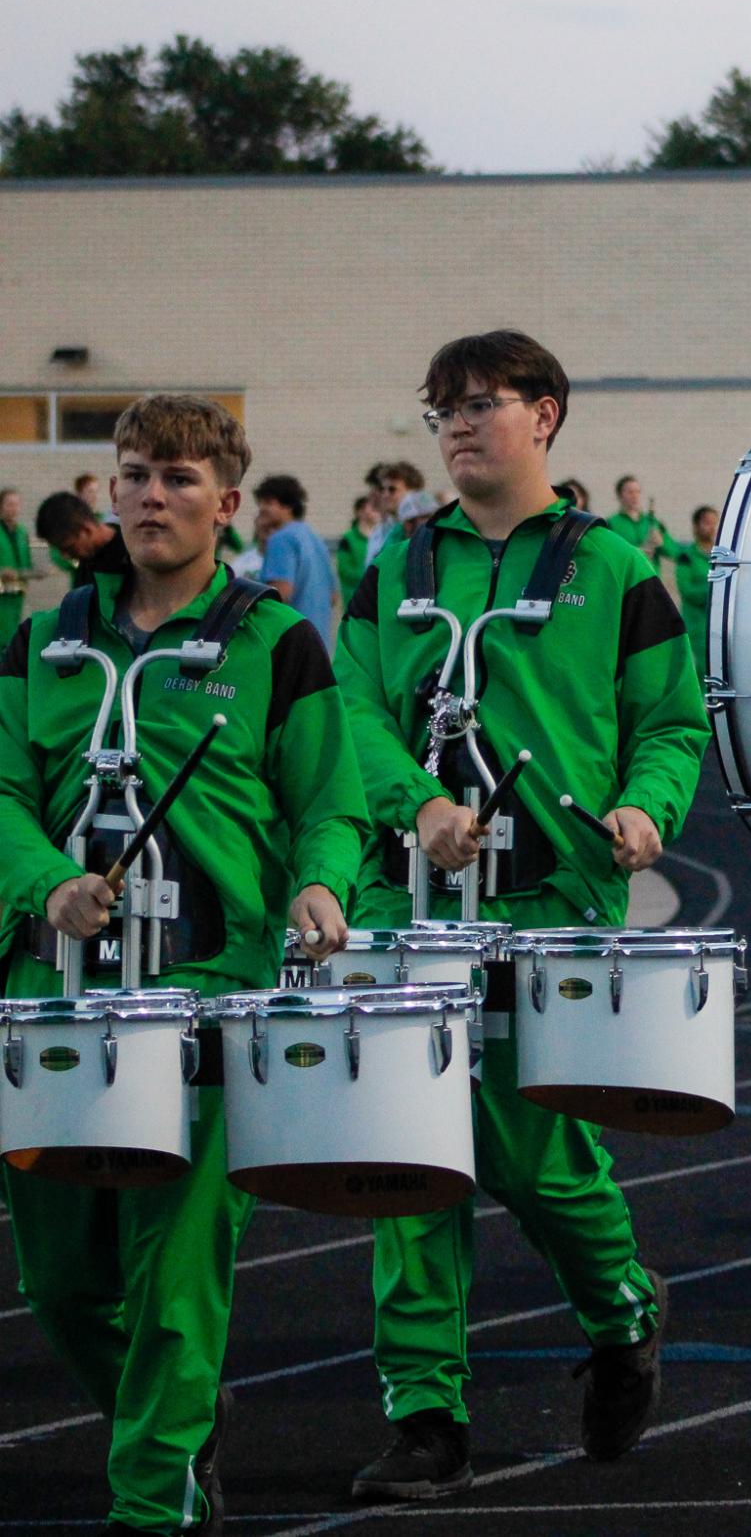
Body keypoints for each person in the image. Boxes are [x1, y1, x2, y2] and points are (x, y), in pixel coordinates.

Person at [335, 329, 709, 1500]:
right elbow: (349, 714)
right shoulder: (396, 567)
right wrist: (418, 802)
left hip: (552, 900)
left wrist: (648, 808)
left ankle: (621, 1310)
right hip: (408, 901)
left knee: (539, 1162)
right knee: (408, 1163)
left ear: (544, 415)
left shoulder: (615, 568)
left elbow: (671, 724)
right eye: (439, 405)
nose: (453, 424)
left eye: (479, 402)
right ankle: (425, 1414)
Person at [0, 394, 363, 1536]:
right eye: (135, 475)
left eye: (178, 478)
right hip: (50, 996)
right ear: (110, 491)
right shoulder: (45, 640)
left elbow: (330, 805)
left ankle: (153, 1502)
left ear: (226, 500)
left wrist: (321, 883)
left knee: (173, 1286)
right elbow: (3, 795)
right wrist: (42, 882)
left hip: (202, 998)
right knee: (60, 1286)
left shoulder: (274, 640)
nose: (152, 496)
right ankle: (177, 1426)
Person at [253, 474, 337, 648]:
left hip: (290, 644)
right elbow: (333, 596)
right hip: (319, 643)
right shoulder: (315, 539)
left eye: (268, 502)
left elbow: (278, 595)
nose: (261, 508)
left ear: (288, 505)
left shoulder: (281, 539)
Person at [36, 490, 121, 587]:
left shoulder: (133, 554)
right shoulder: (85, 568)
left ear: (87, 529)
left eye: (69, 548)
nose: (65, 556)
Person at [668, 505, 717, 666]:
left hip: (719, 623)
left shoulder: (722, 556)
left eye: (714, 523)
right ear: (696, 526)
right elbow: (686, 590)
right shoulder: (687, 556)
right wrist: (714, 590)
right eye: (707, 523)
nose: (712, 528)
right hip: (697, 626)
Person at [364, 461, 424, 566]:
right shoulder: (389, 529)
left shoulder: (421, 528)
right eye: (383, 489)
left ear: (412, 492)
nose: (385, 494)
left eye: (392, 490)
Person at [0, 486, 40, 638]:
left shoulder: (22, 532)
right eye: (9, 504)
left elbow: (27, 562)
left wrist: (37, 571)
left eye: (16, 504)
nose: (13, 508)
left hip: (17, 594)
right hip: (2, 595)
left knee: (12, 638)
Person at [605, 474, 668, 567]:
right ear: (620, 495)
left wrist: (663, 542)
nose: (635, 496)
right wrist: (637, 552)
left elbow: (674, 552)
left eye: (638, 492)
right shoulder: (611, 523)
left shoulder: (652, 521)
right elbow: (609, 554)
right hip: (627, 577)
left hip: (650, 575)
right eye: (630, 492)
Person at [337, 492, 379, 606]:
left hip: (376, 597)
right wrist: (371, 576)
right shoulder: (348, 539)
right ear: (360, 512)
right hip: (355, 599)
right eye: (373, 507)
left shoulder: (381, 537)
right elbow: (344, 570)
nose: (377, 511)